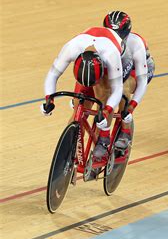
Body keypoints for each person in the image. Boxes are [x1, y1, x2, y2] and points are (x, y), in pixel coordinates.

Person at [42, 26, 125, 160]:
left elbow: (117, 89)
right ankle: (68, 154)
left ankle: (104, 138)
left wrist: (106, 111)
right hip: (91, 61)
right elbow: (52, 75)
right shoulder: (71, 48)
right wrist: (49, 100)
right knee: (79, 107)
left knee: (103, 96)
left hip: (111, 61)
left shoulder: (111, 55)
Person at [103, 11, 155, 149]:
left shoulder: (135, 43)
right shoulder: (101, 40)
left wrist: (131, 107)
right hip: (118, 68)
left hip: (137, 71)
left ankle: (125, 131)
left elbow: (142, 80)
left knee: (123, 88)